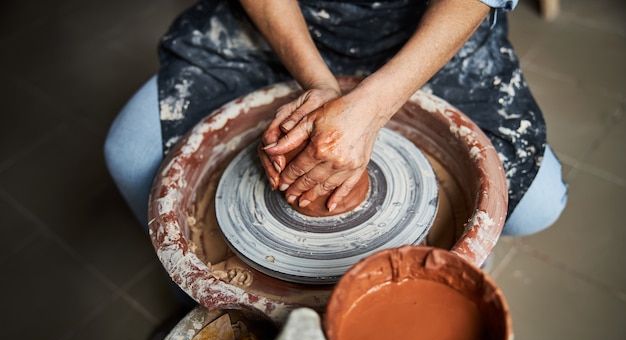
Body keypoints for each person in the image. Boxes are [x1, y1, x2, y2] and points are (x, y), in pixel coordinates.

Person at [105, 0, 567, 240]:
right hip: (287, 24)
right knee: (132, 155)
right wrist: (318, 82)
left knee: (535, 204)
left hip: (429, 26)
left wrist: (374, 105)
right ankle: (201, 313)